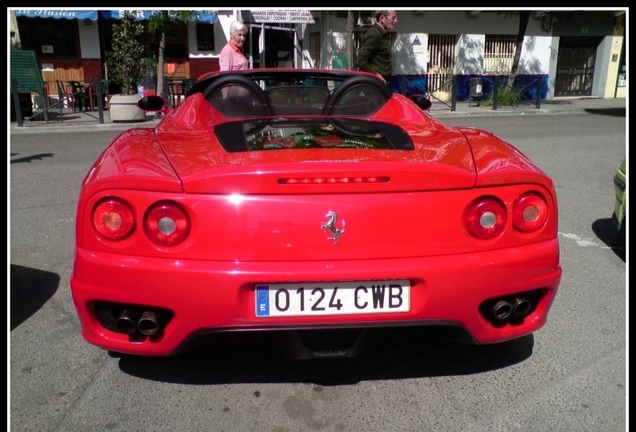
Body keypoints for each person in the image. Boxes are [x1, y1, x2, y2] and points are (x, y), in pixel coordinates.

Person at [354, 10, 398, 85]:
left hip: (383, 84)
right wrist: (377, 75)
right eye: (393, 18)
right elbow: (360, 61)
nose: (396, 21)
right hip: (376, 85)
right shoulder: (374, 34)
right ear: (382, 18)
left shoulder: (383, 34)